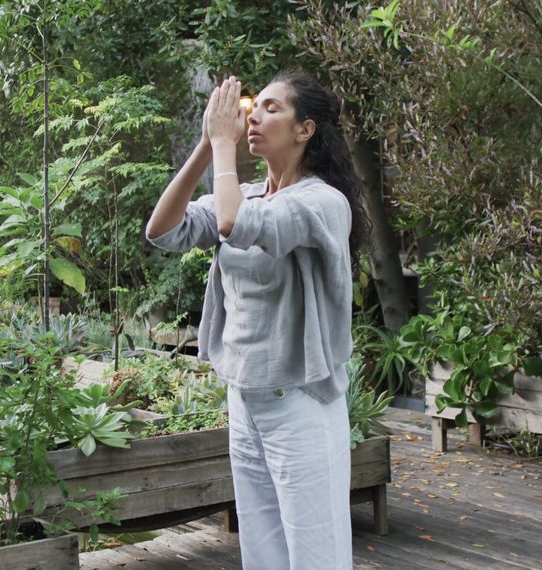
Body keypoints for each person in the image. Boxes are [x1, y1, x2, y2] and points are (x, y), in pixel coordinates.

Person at [145, 70, 362, 570]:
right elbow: (163, 230)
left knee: (316, 554)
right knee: (262, 551)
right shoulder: (247, 192)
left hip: (301, 401)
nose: (254, 117)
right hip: (244, 398)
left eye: (271, 108)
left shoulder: (322, 202)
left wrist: (224, 145)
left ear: (304, 129)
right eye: (252, 107)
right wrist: (206, 145)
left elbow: (234, 224)